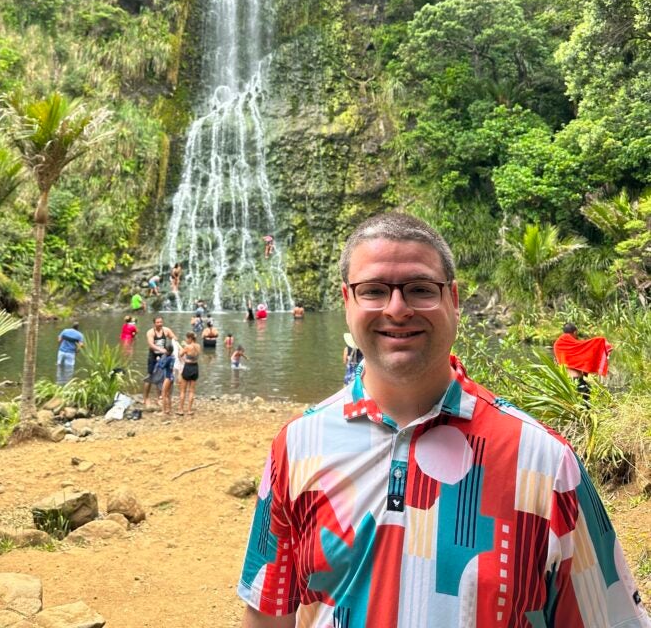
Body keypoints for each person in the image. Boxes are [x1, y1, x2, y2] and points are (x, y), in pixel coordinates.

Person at [238, 211, 649, 628]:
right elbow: (268, 611)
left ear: (453, 299)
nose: (397, 309)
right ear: (348, 302)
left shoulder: (545, 460)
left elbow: (609, 619)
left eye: (419, 289)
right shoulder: (296, 447)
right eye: (374, 290)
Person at [553, 322, 613, 405]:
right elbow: (587, 348)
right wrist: (604, 344)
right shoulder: (574, 344)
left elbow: (558, 361)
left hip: (564, 381)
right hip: (576, 380)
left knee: (571, 404)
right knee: (585, 403)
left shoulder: (557, 344)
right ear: (575, 332)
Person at [143, 316, 177, 409]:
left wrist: (175, 344)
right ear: (154, 323)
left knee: (161, 376)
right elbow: (151, 344)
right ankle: (145, 398)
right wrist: (161, 350)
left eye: (161, 322)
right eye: (158, 322)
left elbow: (174, 338)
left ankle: (159, 398)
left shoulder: (166, 330)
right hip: (153, 355)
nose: (160, 324)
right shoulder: (150, 332)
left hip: (163, 355)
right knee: (149, 375)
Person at [178, 331, 200, 415]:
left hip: (188, 367)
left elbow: (180, 354)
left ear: (190, 338)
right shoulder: (198, 346)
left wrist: (182, 348)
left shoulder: (187, 347)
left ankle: (181, 410)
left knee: (183, 390)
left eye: (187, 338)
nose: (186, 340)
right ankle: (189, 410)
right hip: (195, 367)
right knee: (192, 390)